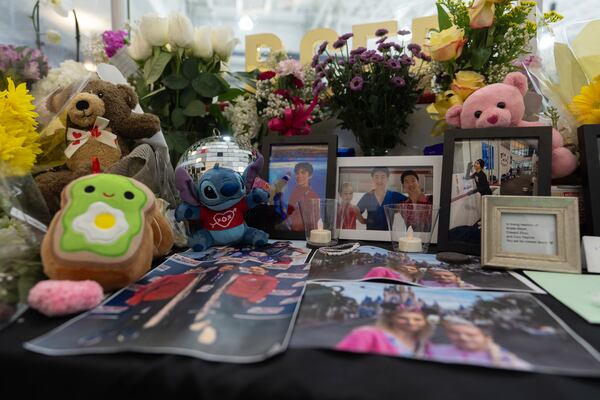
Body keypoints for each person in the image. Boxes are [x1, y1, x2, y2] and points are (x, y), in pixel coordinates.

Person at [336, 297, 432, 357]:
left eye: (417, 319)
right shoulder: (366, 334)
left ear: (425, 322)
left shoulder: (424, 342)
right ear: (391, 319)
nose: (410, 322)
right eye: (403, 318)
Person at [426, 316, 531, 370]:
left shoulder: (507, 360)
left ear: (486, 337)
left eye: (471, 335)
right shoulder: (434, 349)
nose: (462, 338)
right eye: (455, 333)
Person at [286, 162, 319, 231]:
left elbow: (315, 222)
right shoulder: (294, 192)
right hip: (291, 232)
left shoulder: (313, 196)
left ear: (310, 176)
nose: (299, 175)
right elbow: (289, 214)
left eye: (303, 173)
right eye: (297, 173)